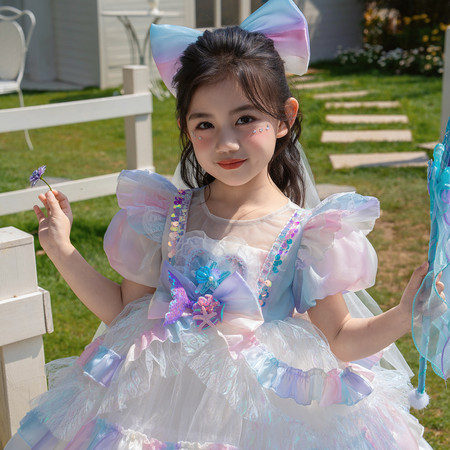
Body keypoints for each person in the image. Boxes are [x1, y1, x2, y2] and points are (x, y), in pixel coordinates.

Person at [6, 0, 441, 448]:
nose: (226, 143)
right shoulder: (166, 215)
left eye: (245, 119)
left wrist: (404, 313)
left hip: (263, 410)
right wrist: (61, 248)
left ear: (285, 118)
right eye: (205, 125)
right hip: (159, 403)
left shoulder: (308, 235)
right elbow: (124, 313)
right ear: (185, 127)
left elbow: (341, 338)